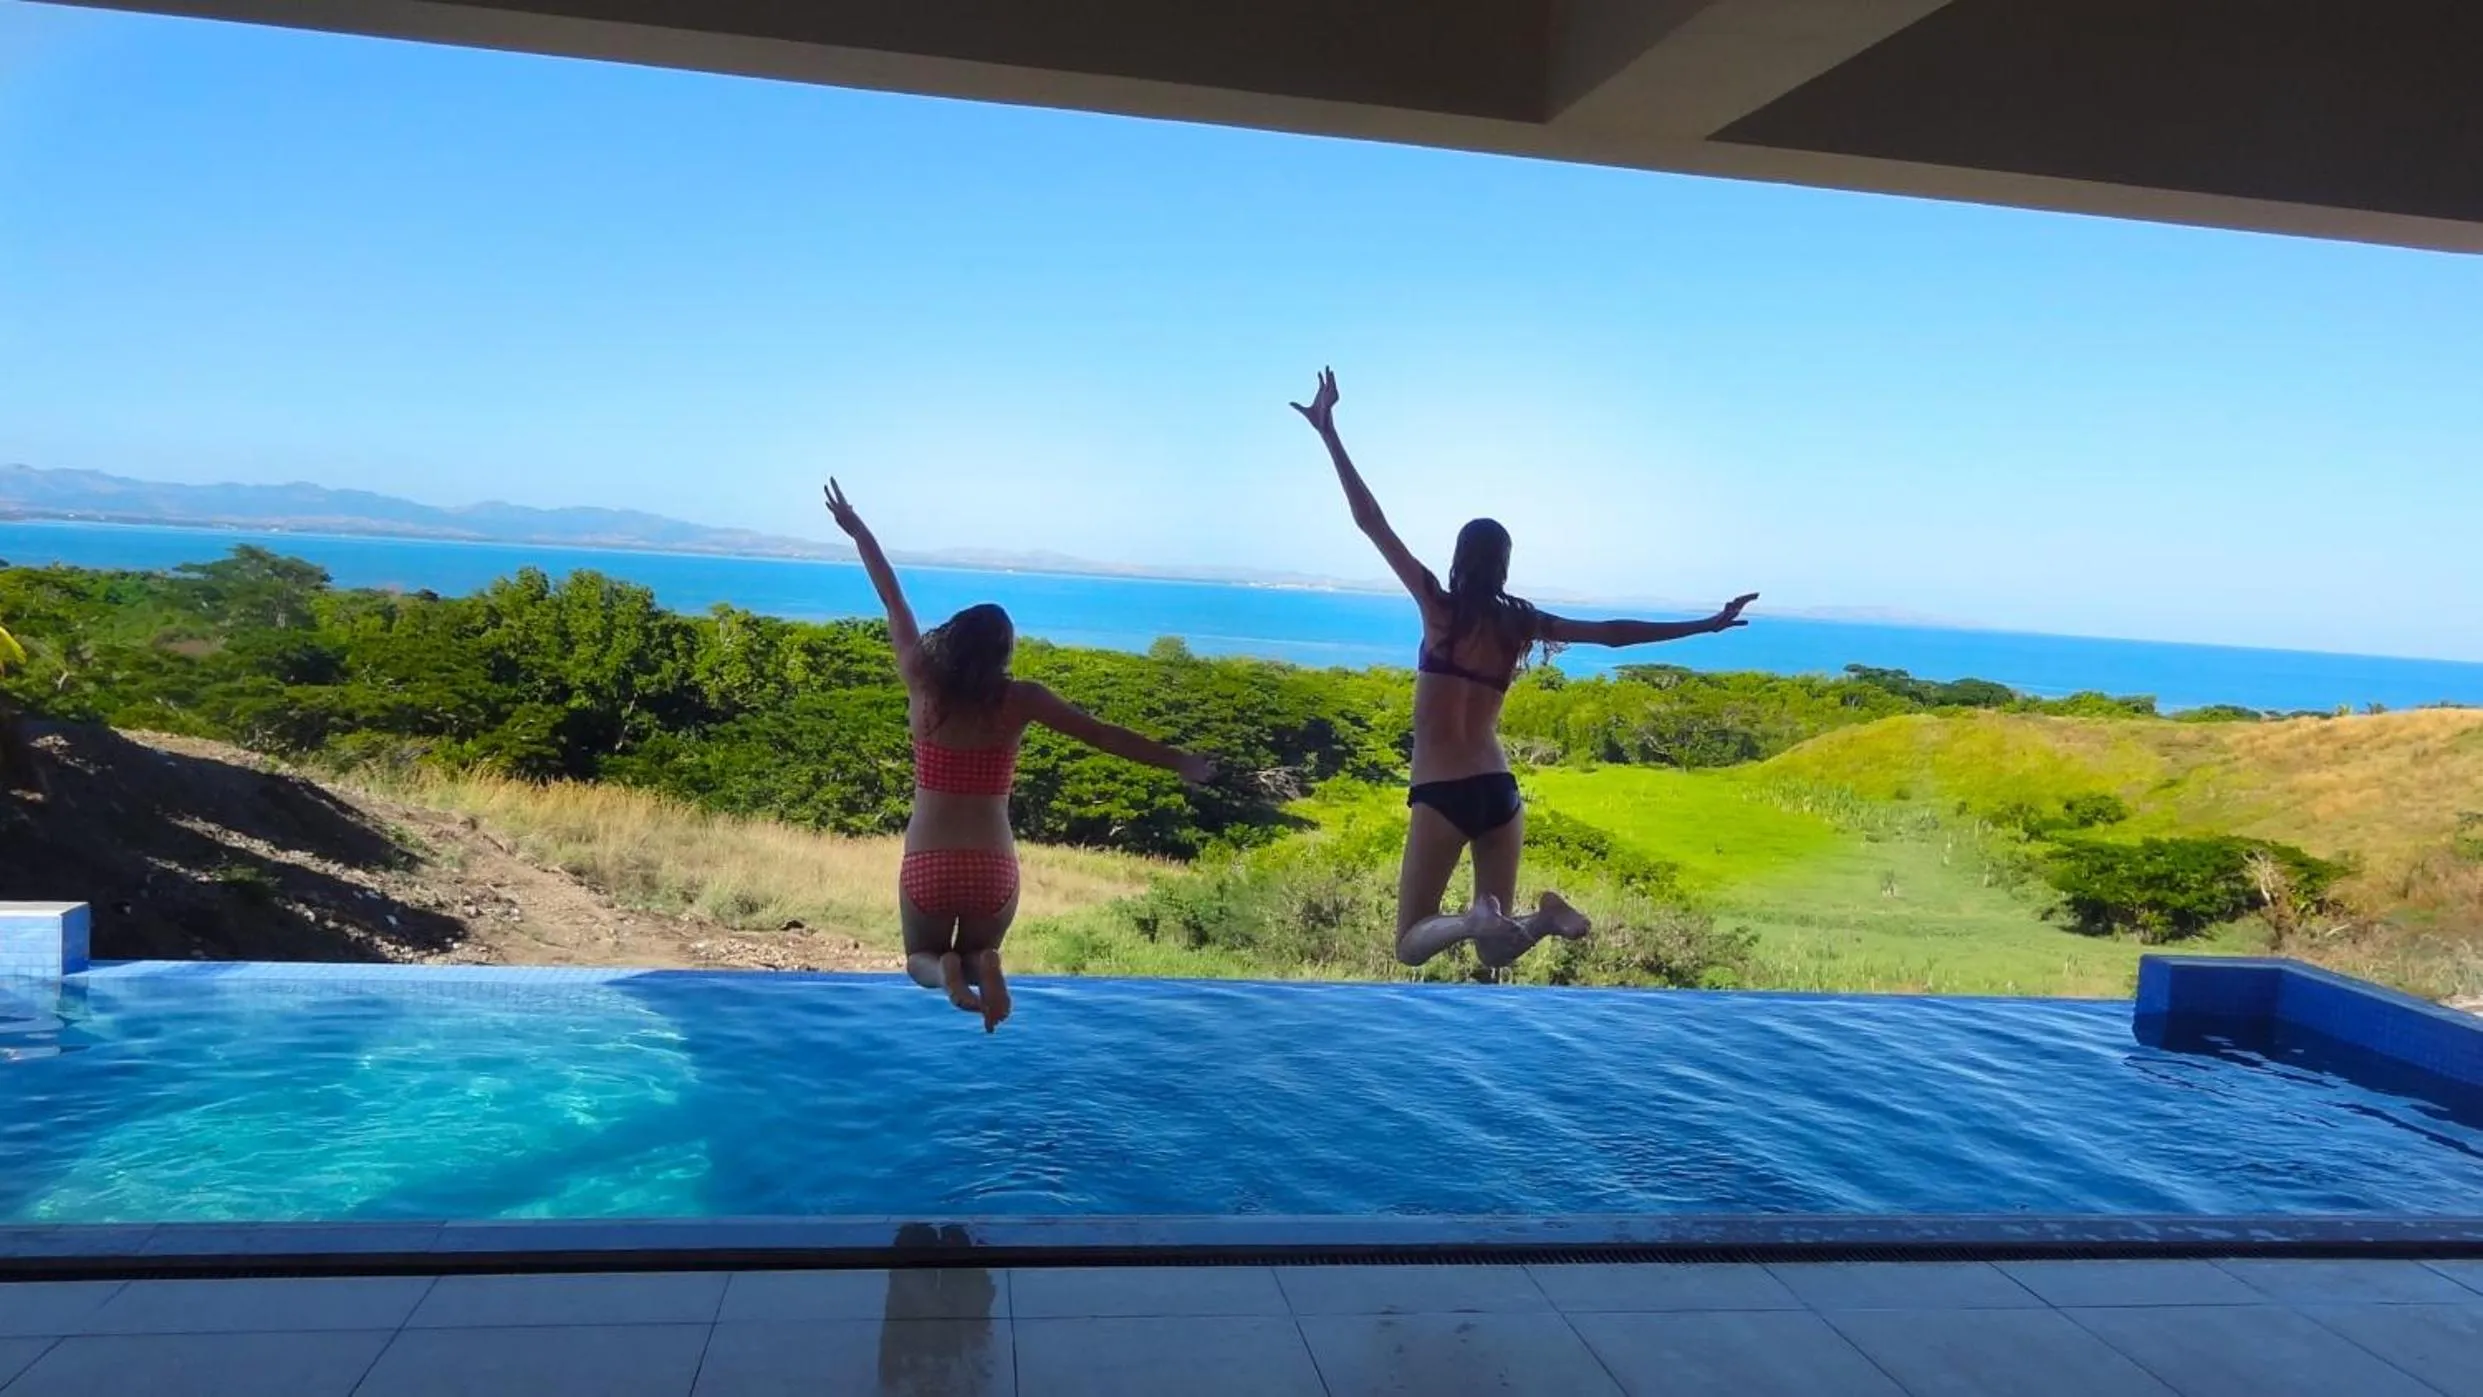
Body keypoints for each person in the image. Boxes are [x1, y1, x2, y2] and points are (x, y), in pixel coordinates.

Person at [1291, 368, 1757, 970]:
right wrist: (1704, 625)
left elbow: (1371, 522)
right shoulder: (1521, 625)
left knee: (1410, 945)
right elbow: (1612, 636)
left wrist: (1329, 434)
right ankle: (1542, 918)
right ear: (1505, 567)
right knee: (1494, 953)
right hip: (1500, 791)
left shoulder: (1438, 609)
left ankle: (1472, 917)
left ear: (1459, 560)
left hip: (1440, 792)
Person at [824, 480, 1215, 1031]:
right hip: (992, 863)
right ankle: (986, 965)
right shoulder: (1022, 700)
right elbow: (1104, 735)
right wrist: (1181, 762)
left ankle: (949, 977)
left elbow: (894, 599)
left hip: (928, 860)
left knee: (919, 960)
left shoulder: (922, 683)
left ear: (952, 640)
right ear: (1004, 652)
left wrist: (858, 528)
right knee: (982, 948)